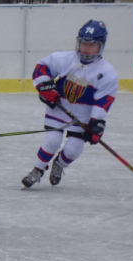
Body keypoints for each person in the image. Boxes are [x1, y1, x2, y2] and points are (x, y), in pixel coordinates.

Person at [21, 20, 118, 188]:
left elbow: (103, 100)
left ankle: (59, 164)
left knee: (74, 149)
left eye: (91, 44)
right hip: (59, 109)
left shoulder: (107, 73)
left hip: (83, 116)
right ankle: (38, 169)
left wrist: (96, 122)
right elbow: (42, 67)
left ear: (101, 45)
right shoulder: (64, 59)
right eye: (83, 43)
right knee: (52, 140)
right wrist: (44, 87)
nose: (86, 48)